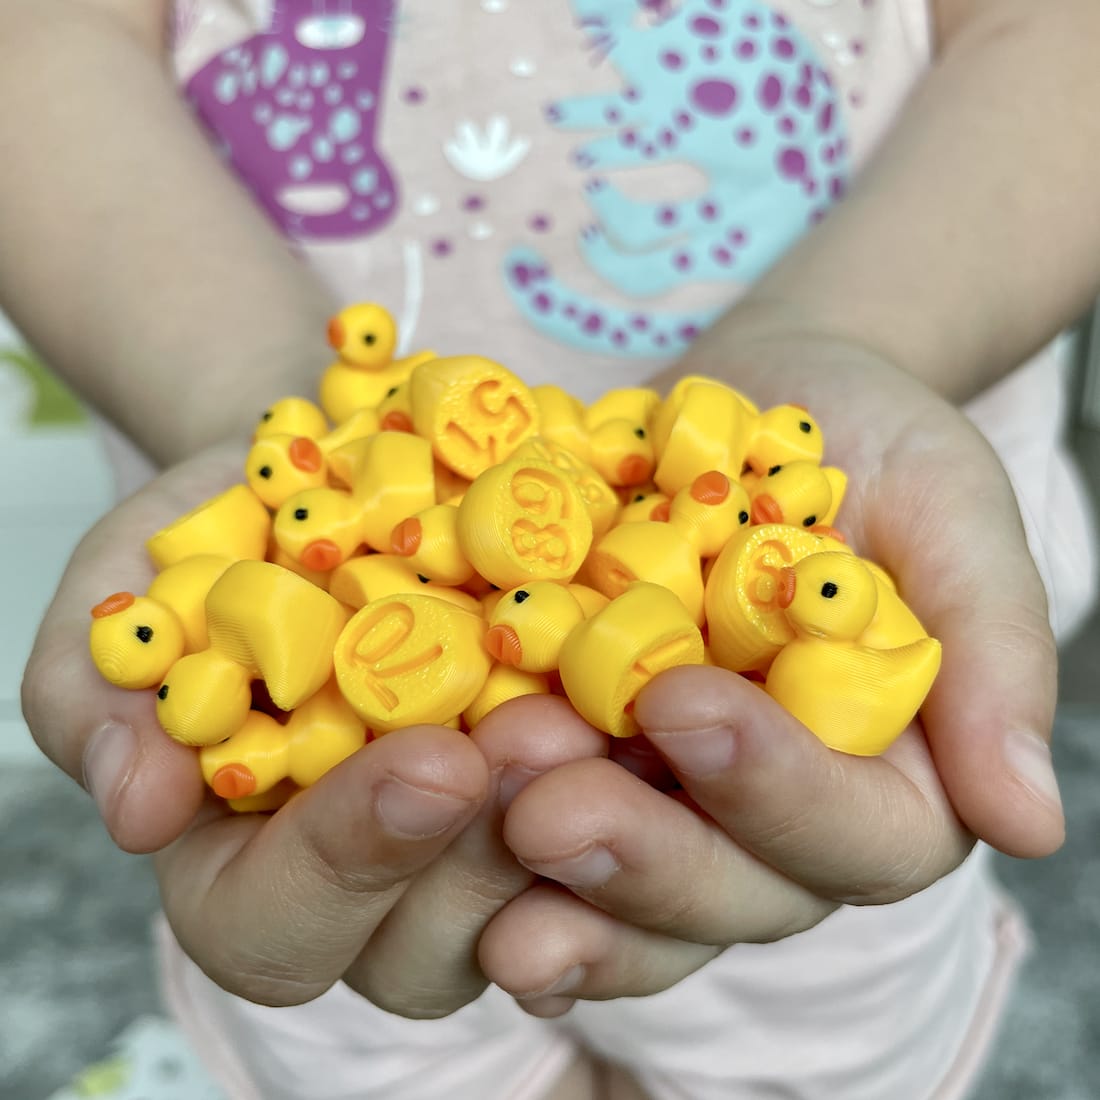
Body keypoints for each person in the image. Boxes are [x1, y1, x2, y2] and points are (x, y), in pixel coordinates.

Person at [8, 0, 1100, 1096]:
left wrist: (849, 335)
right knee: (369, 1049)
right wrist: (239, 394)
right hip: (349, 824)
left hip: (823, 760)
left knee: (814, 1055)